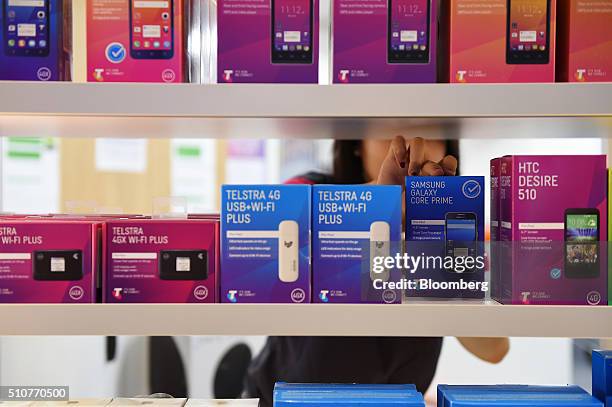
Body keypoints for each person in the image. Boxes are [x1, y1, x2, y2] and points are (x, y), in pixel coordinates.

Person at [244, 136, 510, 407]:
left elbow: (494, 349)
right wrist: (378, 201)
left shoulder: (448, 224)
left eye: (429, 136)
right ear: (357, 143)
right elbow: (258, 252)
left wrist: (429, 251)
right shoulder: (311, 190)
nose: (409, 150)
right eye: (391, 136)